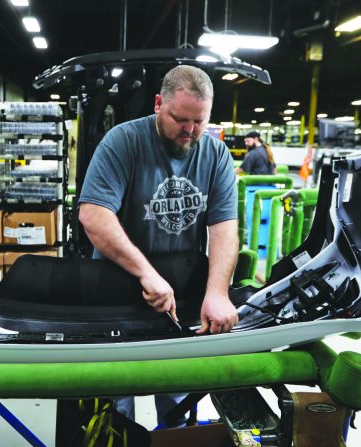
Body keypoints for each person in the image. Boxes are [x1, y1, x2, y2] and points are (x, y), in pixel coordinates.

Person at [77, 65, 240, 427]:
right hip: (117, 286)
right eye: (180, 119)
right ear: (157, 104)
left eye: (199, 121)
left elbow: (225, 227)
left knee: (179, 398)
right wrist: (145, 273)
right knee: (114, 405)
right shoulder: (123, 142)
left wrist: (216, 293)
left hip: (180, 294)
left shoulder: (216, 155)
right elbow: (93, 215)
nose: (190, 131)